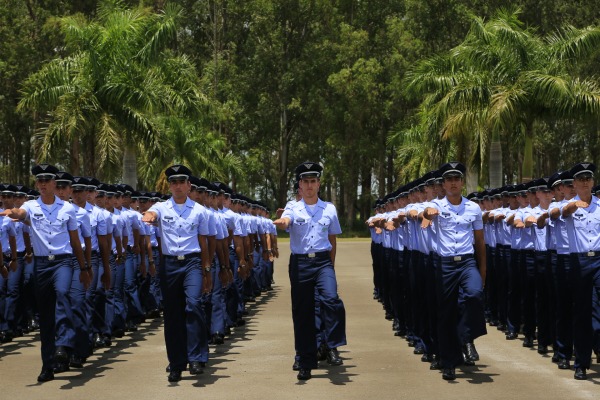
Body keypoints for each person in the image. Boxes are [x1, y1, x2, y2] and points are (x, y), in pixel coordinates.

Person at [0, 164, 90, 383]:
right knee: (46, 317)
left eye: (46, 181)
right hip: (41, 265)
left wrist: (85, 267)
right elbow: (21, 213)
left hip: (63, 262)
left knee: (62, 292)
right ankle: (47, 365)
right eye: (39, 181)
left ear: (53, 184)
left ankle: (64, 343)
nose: (42, 184)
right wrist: (14, 212)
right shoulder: (31, 206)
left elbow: (75, 241)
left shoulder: (67, 209)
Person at [273, 161, 346, 381]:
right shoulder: (292, 207)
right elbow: (287, 220)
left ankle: (331, 343)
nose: (310, 185)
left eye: (313, 181)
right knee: (302, 313)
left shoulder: (329, 208)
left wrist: (331, 266)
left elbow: (332, 237)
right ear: (300, 185)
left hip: (323, 262)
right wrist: (283, 222)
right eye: (305, 181)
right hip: (301, 263)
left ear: (319, 183)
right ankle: (305, 360)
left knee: (331, 299)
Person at [141, 165, 213, 383]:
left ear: (189, 185)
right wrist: (149, 216)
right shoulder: (162, 208)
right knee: (172, 314)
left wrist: (207, 269)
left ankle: (197, 358)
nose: (178, 186)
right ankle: (176, 362)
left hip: (192, 262)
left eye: (182, 182)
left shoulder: (199, 211)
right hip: (170, 264)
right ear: (169, 186)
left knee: (193, 305)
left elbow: (204, 242)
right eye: (174, 182)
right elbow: (151, 214)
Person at [422, 162, 486, 381]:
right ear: (444, 184)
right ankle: (448, 362)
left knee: (475, 294)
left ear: (461, 182)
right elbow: (424, 220)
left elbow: (480, 241)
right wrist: (427, 215)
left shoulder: (473, 208)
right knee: (446, 313)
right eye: (448, 179)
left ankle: (466, 336)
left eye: (456, 179)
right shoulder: (435, 206)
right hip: (446, 264)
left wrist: (482, 270)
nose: (453, 183)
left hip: (467, 262)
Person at [560, 162, 600, 380]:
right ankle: (581, 363)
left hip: (599, 260)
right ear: (574, 184)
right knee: (582, 313)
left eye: (588, 179)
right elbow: (558, 214)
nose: (585, 183)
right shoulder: (568, 206)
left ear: (592, 182)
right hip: (580, 262)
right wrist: (573, 206)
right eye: (581, 179)